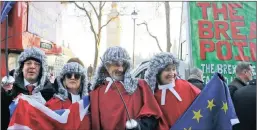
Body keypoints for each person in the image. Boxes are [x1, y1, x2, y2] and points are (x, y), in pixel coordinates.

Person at [90, 46, 162, 130]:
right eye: (116, 64)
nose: (121, 69)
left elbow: (153, 117)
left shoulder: (140, 86)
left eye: (124, 64)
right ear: (106, 66)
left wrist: (140, 126)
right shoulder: (96, 93)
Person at [1, 47, 55, 130]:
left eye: (37, 64)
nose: (32, 67)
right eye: (28, 63)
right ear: (21, 67)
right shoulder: (9, 90)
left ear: (41, 69)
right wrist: (4, 94)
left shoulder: (50, 93)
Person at [144, 52, 201, 129]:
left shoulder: (186, 86)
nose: (172, 73)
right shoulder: (153, 95)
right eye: (167, 70)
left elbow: (204, 99)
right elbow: (149, 118)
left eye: (174, 69)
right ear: (157, 72)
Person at [45, 62, 90, 130]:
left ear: (82, 80)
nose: (72, 77)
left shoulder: (89, 104)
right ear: (64, 79)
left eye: (77, 76)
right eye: (69, 75)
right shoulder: (53, 103)